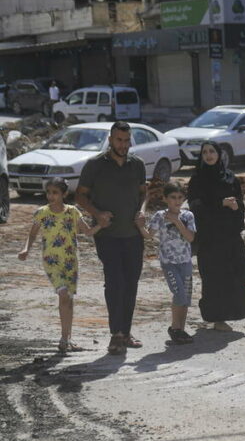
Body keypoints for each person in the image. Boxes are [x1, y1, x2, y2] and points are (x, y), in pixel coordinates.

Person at [76, 121, 148, 355]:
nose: (123, 145)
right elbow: (80, 196)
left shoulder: (136, 165)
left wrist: (143, 210)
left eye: (127, 141)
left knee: (131, 283)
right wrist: (97, 214)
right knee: (115, 282)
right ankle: (115, 334)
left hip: (133, 235)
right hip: (107, 235)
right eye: (119, 140)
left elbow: (143, 192)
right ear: (110, 140)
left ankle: (125, 333)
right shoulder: (95, 165)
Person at [18, 179, 105, 354]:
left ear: (64, 194)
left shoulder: (73, 212)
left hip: (71, 261)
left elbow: (87, 232)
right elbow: (32, 234)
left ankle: (66, 339)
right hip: (51, 261)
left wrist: (101, 225)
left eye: (55, 192)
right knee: (63, 294)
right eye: (48, 192)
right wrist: (26, 249)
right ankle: (65, 339)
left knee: (68, 299)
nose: (51, 196)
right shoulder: (41, 213)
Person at [187, 141, 245, 331]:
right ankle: (217, 318)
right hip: (209, 238)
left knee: (236, 273)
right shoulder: (198, 179)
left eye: (212, 151)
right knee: (212, 277)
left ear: (219, 154)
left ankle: (233, 312)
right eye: (205, 152)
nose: (208, 155)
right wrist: (220, 203)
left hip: (229, 235)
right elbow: (195, 206)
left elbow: (240, 203)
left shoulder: (230, 177)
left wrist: (236, 207)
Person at [138, 183, 197, 344]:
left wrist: (177, 221)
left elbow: (190, 237)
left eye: (179, 197)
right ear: (165, 199)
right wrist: (140, 226)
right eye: (172, 197)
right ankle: (174, 327)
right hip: (169, 263)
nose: (176, 201)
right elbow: (149, 235)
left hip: (185, 262)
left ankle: (180, 330)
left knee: (185, 297)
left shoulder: (188, 216)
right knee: (178, 294)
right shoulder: (159, 215)